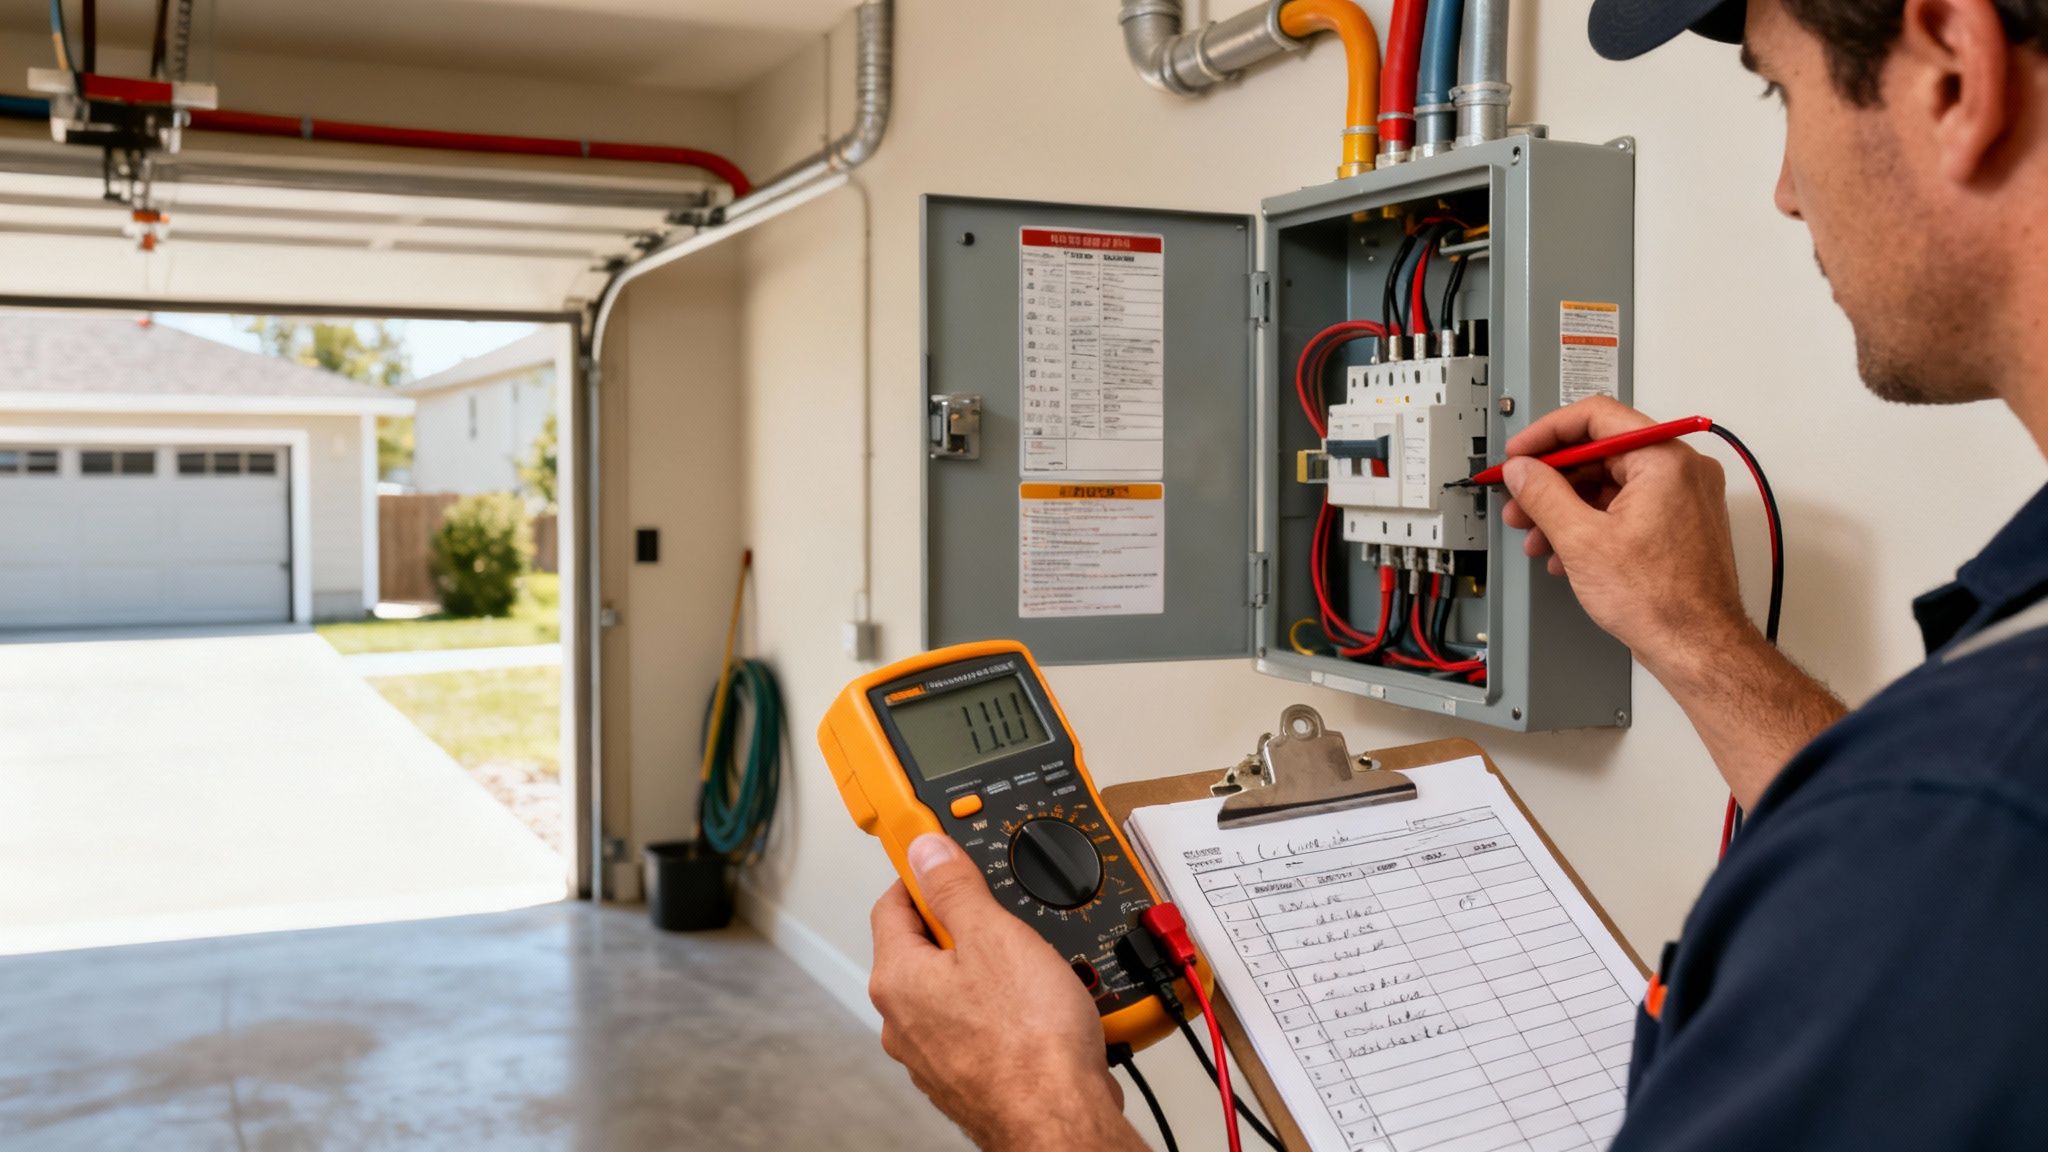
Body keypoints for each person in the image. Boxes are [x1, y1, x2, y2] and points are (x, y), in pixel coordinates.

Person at [867, 0, 2048, 1145]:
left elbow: (1920, 856)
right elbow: (1885, 871)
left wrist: (1040, 1109)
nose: (1784, 190)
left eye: (1774, 90)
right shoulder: (1965, 776)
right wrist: (1695, 634)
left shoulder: (1966, 803)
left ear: (1952, 67)